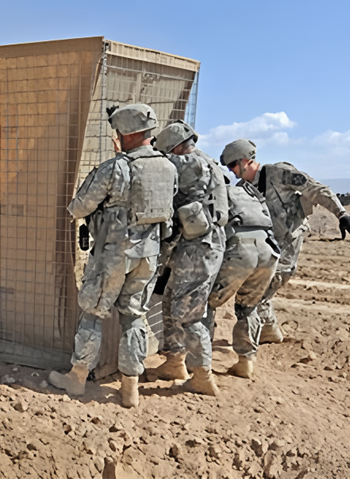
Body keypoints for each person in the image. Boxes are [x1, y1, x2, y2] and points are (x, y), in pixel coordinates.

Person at [48, 104, 177, 408]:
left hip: (114, 254)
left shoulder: (117, 167)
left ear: (125, 134)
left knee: (93, 311)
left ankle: (77, 377)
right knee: (134, 316)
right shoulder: (169, 167)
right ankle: (129, 388)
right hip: (150, 254)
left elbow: (79, 207)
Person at [219, 139, 350, 343]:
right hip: (264, 247)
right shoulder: (243, 189)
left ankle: (252, 344)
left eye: (233, 165)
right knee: (258, 291)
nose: (231, 171)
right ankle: (270, 333)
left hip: (287, 244)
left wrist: (342, 214)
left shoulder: (279, 173)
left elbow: (316, 189)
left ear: (245, 161)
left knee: (257, 292)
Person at [152, 121, 227, 396]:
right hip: (192, 247)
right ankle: (174, 362)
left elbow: (164, 166)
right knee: (172, 301)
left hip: (200, 249)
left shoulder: (196, 163)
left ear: (175, 147)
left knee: (189, 314)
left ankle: (201, 375)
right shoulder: (203, 162)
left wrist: (135, 152)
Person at [205, 175, 280, 378]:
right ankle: (246, 361)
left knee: (208, 302)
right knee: (248, 306)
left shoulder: (217, 194)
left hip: (241, 249)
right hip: (269, 250)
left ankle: (201, 361)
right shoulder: (248, 193)